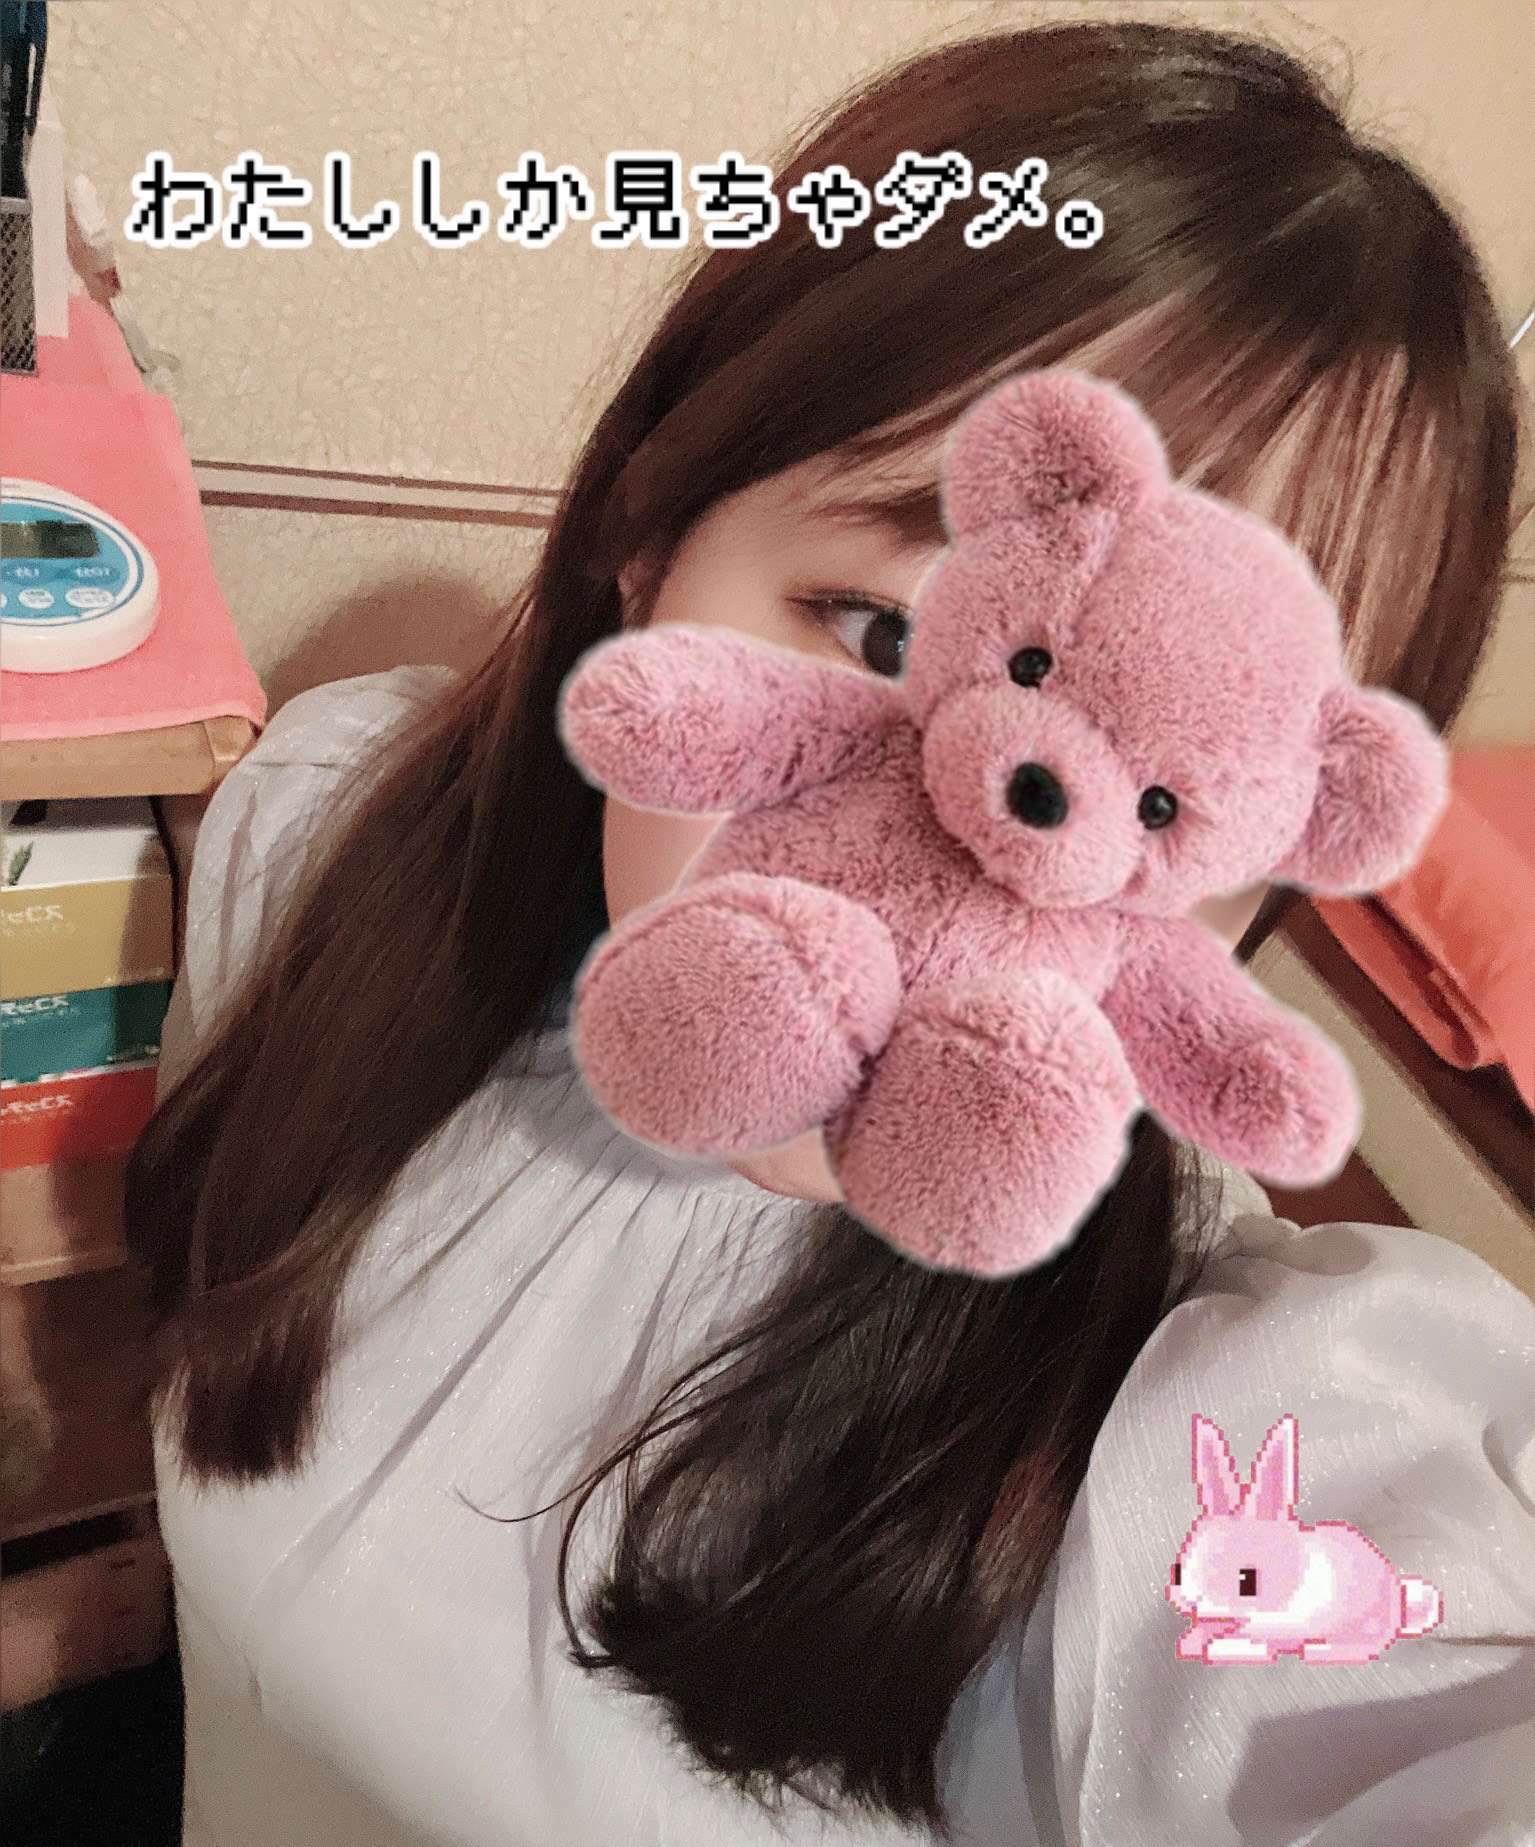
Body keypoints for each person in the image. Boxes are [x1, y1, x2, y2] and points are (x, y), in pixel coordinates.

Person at [126, 20, 1535, 1847]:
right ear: (650, 538)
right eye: (884, 634)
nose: (1001, 880)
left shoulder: (1204, 1419)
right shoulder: (324, 833)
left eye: (1186, 791)